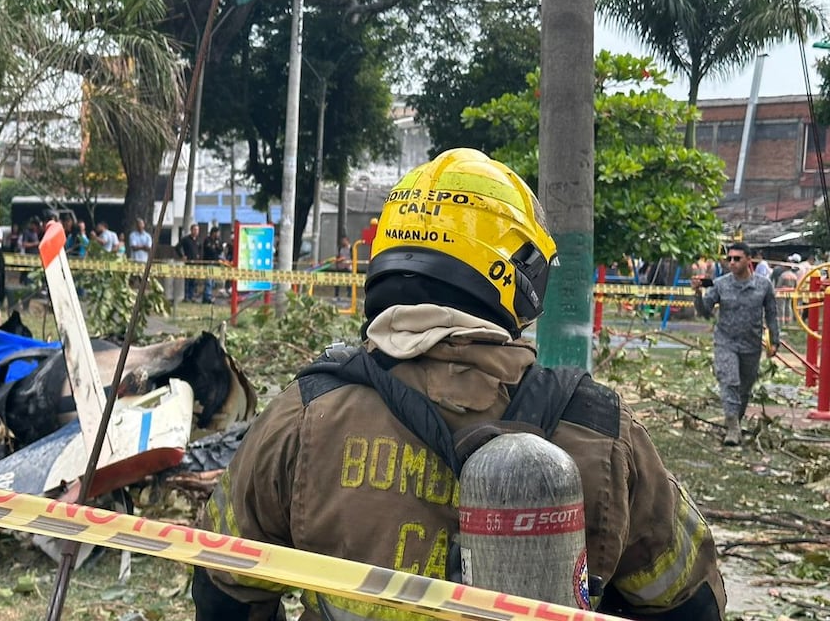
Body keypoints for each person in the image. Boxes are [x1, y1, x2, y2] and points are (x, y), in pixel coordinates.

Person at [193, 148, 725, 620]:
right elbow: (687, 600)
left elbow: (224, 587)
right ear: (520, 272)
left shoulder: (305, 414)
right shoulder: (597, 430)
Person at [692, 242, 780, 447]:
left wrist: (774, 341)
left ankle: (735, 422)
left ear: (749, 260)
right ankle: (732, 427)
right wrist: (697, 294)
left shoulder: (763, 285)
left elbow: (772, 314)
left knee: (744, 389)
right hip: (726, 342)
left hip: (751, 344)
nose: (732, 262)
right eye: (729, 259)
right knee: (729, 380)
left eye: (737, 259)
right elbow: (704, 312)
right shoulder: (720, 284)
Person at [176, 224, 201, 302]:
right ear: (191, 230)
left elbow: (200, 250)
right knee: (187, 281)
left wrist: (199, 256)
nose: (196, 231)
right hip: (188, 263)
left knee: (193, 281)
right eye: (195, 230)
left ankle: (191, 296)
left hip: (195, 263)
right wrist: (182, 256)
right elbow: (177, 247)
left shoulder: (198, 240)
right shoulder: (186, 239)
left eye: (197, 230)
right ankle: (186, 296)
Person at [200, 226, 222, 303]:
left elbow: (220, 250)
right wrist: (215, 247)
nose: (218, 235)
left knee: (212, 282)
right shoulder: (207, 240)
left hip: (216, 263)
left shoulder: (218, 241)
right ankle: (207, 298)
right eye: (217, 233)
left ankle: (206, 296)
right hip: (209, 263)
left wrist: (216, 246)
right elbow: (210, 250)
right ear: (214, 233)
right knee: (208, 281)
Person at [333, 234, 352, 300]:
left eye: (344, 241)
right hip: (340, 267)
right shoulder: (341, 248)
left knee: (349, 282)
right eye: (342, 241)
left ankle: (349, 295)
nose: (343, 242)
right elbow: (338, 256)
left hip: (348, 267)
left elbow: (353, 257)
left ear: (347, 241)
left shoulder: (351, 248)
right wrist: (338, 261)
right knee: (337, 281)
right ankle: (336, 295)